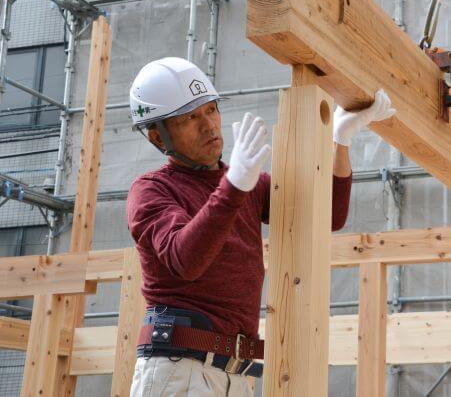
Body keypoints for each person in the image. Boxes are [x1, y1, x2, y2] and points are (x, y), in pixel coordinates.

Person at [126, 57, 395, 395]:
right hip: (178, 371)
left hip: (236, 375)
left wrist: (340, 140)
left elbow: (328, 216)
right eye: (189, 118)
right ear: (156, 137)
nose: (209, 125)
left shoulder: (245, 183)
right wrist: (235, 183)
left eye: (210, 110)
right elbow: (186, 258)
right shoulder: (151, 190)